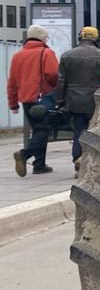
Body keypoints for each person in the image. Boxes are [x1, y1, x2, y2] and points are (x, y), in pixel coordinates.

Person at [57, 26, 100, 172]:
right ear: (97, 39)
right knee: (95, 130)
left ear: (80, 37)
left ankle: (78, 158)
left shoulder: (67, 55)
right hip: (96, 100)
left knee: (79, 131)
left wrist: (60, 102)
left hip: (74, 100)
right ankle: (92, 161)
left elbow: (61, 81)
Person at [8, 25, 59, 176]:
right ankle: (24, 154)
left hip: (26, 100)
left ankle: (39, 165)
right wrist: (54, 88)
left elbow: (11, 82)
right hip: (41, 98)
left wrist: (13, 103)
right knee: (43, 130)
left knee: (37, 130)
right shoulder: (46, 52)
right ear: (42, 37)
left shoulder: (17, 56)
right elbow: (53, 74)